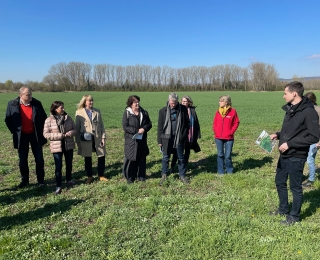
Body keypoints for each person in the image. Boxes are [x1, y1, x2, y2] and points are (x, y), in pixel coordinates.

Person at [270, 81, 320, 225]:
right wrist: (278, 135)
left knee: (295, 187)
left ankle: (294, 217)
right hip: (284, 153)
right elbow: (293, 131)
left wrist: (290, 144)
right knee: (280, 182)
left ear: (294, 93)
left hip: (296, 156)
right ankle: (283, 209)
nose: (283, 96)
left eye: (285, 93)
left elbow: (313, 136)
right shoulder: (291, 108)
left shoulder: (308, 111)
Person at [5, 86, 47, 188]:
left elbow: (43, 118)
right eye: (28, 95)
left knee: (39, 159)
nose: (30, 96)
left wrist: (40, 130)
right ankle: (25, 180)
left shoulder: (37, 103)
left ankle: (40, 180)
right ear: (21, 95)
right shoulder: (12, 104)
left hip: (35, 135)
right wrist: (15, 131)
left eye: (31, 94)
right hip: (21, 136)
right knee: (23, 160)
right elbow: (8, 120)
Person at [43, 101, 76, 195]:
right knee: (58, 167)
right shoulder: (49, 120)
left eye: (63, 107)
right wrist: (59, 135)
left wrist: (71, 133)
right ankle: (58, 185)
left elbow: (75, 128)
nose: (63, 109)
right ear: (55, 109)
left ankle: (69, 179)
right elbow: (45, 134)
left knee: (69, 164)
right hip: (57, 146)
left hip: (68, 144)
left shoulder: (68, 118)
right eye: (61, 108)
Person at [158, 93, 190, 185]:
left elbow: (187, 123)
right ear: (168, 101)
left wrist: (183, 135)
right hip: (166, 138)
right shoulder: (163, 111)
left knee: (181, 157)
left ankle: (182, 175)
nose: (173, 104)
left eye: (175, 102)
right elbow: (160, 127)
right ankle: (164, 175)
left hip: (179, 138)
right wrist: (160, 141)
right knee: (165, 158)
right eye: (172, 102)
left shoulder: (183, 109)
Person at [75, 95, 108, 184]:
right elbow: (77, 128)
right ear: (85, 102)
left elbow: (101, 125)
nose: (91, 102)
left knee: (101, 156)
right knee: (87, 157)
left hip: (97, 137)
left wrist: (103, 137)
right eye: (89, 101)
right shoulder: (79, 112)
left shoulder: (97, 111)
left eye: (92, 100)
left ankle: (101, 175)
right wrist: (77, 141)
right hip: (85, 139)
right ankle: (89, 176)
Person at [122, 95, 152, 183]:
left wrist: (144, 129)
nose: (137, 104)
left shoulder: (144, 112)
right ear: (131, 104)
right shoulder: (127, 113)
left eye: (138, 102)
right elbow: (125, 126)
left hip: (142, 139)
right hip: (131, 140)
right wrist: (136, 131)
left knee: (142, 158)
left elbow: (149, 124)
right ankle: (130, 177)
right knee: (131, 158)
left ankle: (141, 176)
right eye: (135, 102)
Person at [171, 95, 201, 172]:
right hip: (180, 134)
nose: (184, 103)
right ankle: (173, 166)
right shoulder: (179, 109)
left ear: (189, 103)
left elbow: (196, 122)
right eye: (183, 101)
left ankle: (185, 166)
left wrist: (197, 134)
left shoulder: (192, 110)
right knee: (177, 151)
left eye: (185, 101)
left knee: (187, 151)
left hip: (190, 134)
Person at [212, 95, 240, 175]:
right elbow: (214, 123)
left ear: (226, 102)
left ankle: (229, 170)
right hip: (218, 137)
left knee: (228, 156)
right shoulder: (218, 112)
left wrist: (231, 132)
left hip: (229, 138)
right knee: (220, 155)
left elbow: (236, 122)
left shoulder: (233, 111)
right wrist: (216, 131)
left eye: (221, 101)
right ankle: (220, 171)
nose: (219, 102)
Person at [302, 92, 320, 187]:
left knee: (310, 159)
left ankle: (311, 180)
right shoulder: (305, 110)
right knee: (302, 157)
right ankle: (299, 176)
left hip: (316, 140)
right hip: (305, 138)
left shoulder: (318, 110)